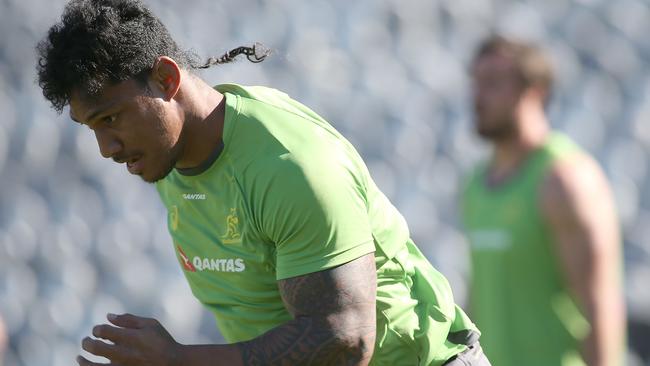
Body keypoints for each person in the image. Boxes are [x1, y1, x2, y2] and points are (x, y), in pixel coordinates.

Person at [36, 0, 490, 365]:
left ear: (167, 79)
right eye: (90, 127)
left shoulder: (289, 165)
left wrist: (179, 360)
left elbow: (344, 339)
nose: (105, 148)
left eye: (111, 118)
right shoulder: (164, 156)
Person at [460, 35, 626, 366]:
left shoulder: (564, 180)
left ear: (535, 91)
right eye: (475, 82)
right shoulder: (476, 184)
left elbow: (601, 306)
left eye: (492, 83)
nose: (478, 97)